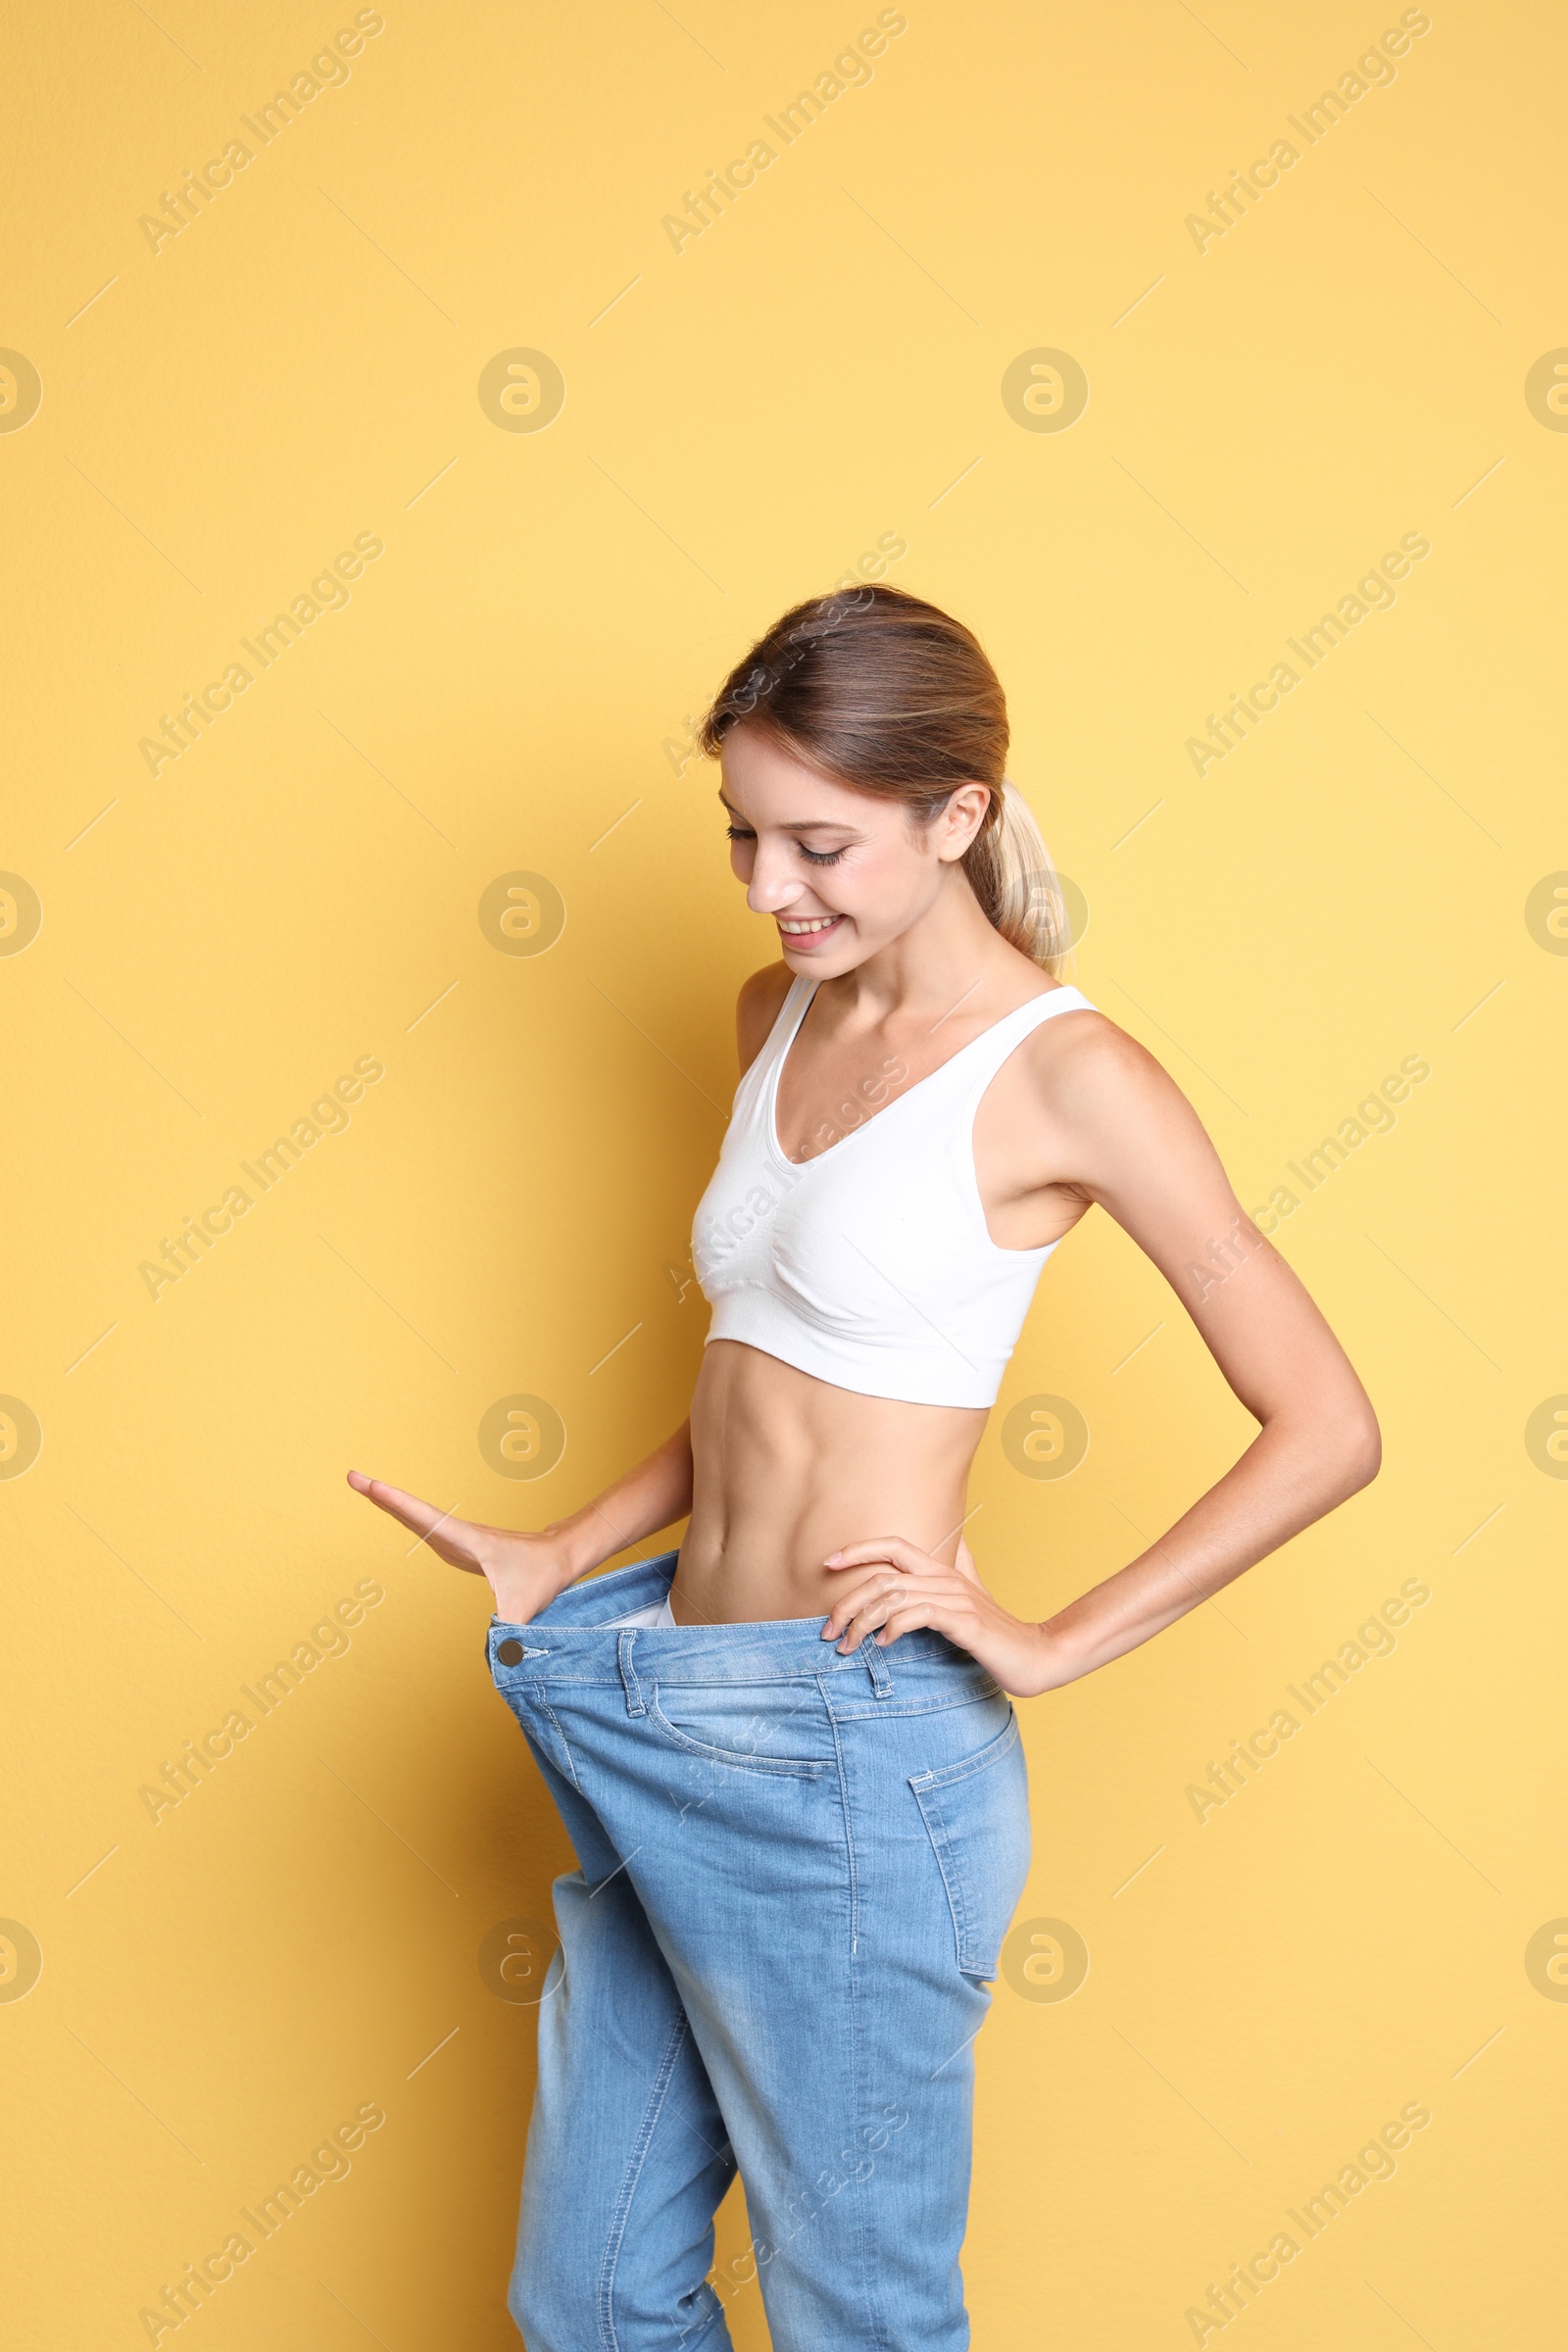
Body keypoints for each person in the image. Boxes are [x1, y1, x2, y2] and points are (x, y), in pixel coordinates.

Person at [348, 583, 1380, 2350]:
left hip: (845, 1751)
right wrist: (561, 1545)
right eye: (743, 836)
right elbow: (769, 1375)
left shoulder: (1071, 1080)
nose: (767, 889)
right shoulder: (777, 1016)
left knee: (861, 2320)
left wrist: (1051, 1639)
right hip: (657, 1691)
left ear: (958, 815)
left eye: (817, 843)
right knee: (586, 2299)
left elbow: (1328, 1424)